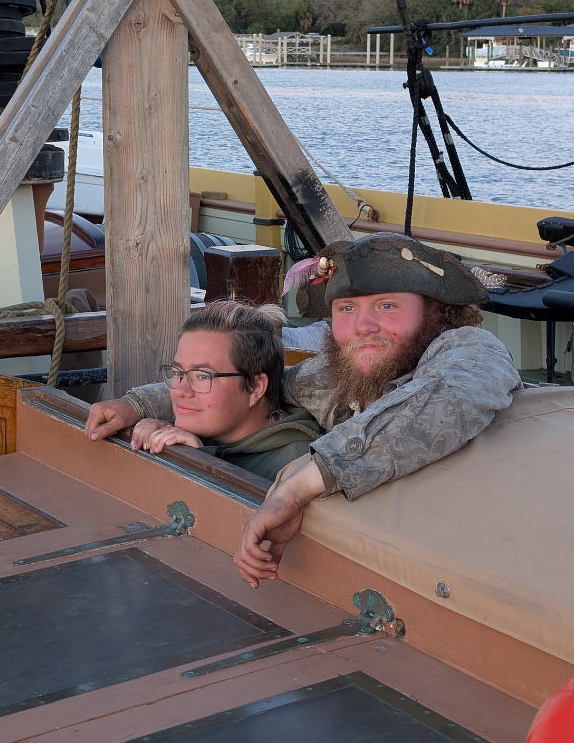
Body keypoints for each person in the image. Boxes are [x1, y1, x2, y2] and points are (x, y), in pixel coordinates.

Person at [86, 234, 522, 586]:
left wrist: (296, 487)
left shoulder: (468, 349)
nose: (362, 327)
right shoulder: (337, 376)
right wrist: (138, 404)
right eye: (346, 309)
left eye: (387, 306)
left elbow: (449, 400)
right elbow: (268, 383)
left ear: (436, 314)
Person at [97, 299, 322, 481]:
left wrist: (198, 461)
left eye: (203, 376)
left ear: (255, 387)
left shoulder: (298, 467)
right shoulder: (214, 425)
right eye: (177, 373)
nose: (179, 390)